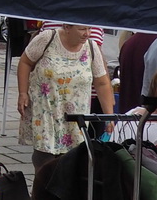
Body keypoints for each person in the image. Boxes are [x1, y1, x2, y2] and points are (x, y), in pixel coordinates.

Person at [17, 23, 114, 170]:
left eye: (89, 29)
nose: (87, 33)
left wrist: (109, 116)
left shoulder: (91, 47)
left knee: (72, 165)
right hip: (46, 111)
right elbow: (25, 61)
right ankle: (42, 191)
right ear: (67, 27)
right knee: (45, 162)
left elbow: (102, 83)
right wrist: (23, 92)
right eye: (82, 29)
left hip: (75, 119)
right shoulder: (47, 38)